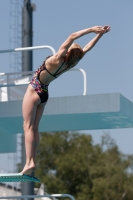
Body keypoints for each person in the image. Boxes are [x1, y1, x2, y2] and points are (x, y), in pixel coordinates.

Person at [21, 25, 111, 175]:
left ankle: (28, 162)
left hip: (33, 90)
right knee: (35, 128)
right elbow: (87, 48)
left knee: (27, 127)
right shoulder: (71, 63)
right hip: (44, 94)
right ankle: (33, 162)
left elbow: (72, 36)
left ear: (68, 51)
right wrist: (100, 35)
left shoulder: (57, 58)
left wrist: (91, 30)